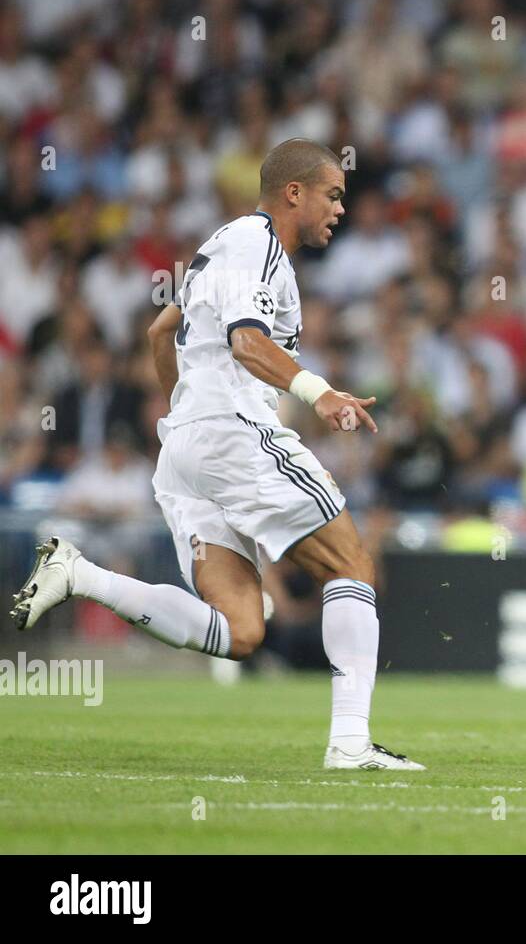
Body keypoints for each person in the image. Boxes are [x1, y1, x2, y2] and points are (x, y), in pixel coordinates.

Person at [10, 138, 423, 771]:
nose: (340, 208)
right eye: (333, 195)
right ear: (294, 193)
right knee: (353, 567)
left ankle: (81, 575)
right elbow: (248, 344)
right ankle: (350, 743)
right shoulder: (258, 247)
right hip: (234, 435)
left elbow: (159, 330)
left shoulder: (219, 250)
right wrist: (320, 393)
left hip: (187, 451)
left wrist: (181, 413)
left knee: (241, 630)